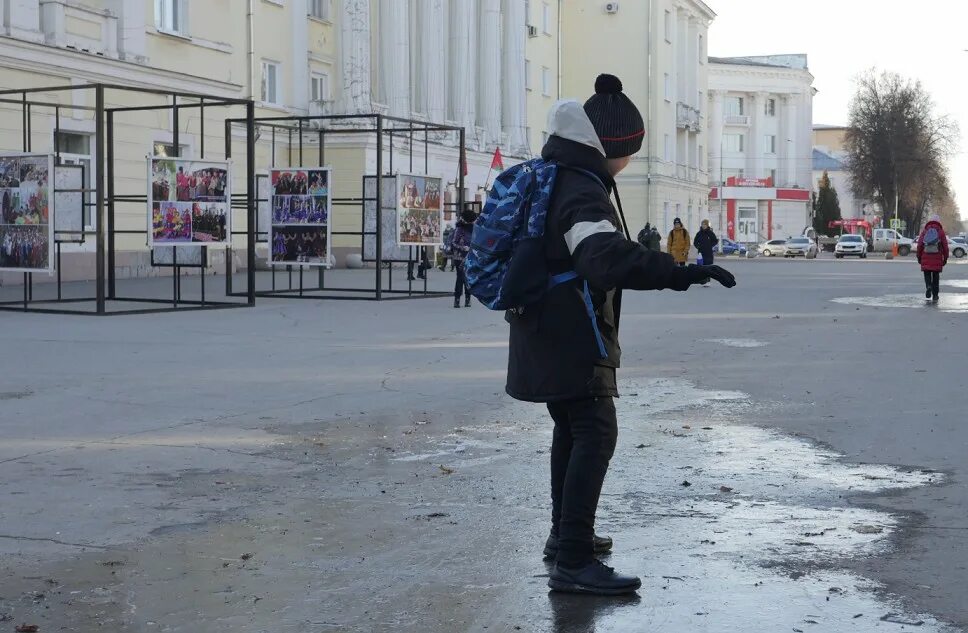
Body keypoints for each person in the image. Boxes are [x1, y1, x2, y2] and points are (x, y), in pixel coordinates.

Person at [506, 75, 736, 596]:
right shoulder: (581, 188)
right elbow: (602, 257)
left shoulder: (558, 174)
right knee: (595, 430)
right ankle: (573, 559)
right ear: (612, 146)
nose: (631, 160)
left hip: (546, 327)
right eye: (630, 150)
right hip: (571, 332)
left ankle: (565, 538)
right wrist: (678, 272)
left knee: (572, 429)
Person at [916, 214, 949, 302]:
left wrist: (918, 256)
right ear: (938, 222)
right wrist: (945, 258)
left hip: (925, 256)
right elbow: (945, 246)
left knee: (927, 274)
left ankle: (928, 286)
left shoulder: (925, 231)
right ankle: (935, 295)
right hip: (937, 257)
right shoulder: (941, 232)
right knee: (936, 277)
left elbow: (920, 245)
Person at [448, 208, 475, 308]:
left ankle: (468, 299)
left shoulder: (474, 228)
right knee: (460, 278)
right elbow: (453, 242)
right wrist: (463, 247)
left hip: (470, 257)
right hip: (459, 257)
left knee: (467, 278)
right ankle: (457, 299)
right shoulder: (459, 229)